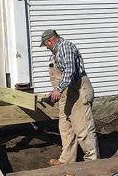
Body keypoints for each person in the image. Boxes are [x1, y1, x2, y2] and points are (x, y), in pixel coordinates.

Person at [40, 29, 99, 165]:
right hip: (67, 93)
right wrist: (55, 91)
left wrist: (59, 89)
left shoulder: (65, 47)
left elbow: (70, 70)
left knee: (83, 127)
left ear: (50, 40)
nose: (47, 48)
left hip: (78, 90)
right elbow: (60, 76)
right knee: (66, 127)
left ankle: (92, 162)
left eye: (46, 45)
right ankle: (67, 160)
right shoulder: (56, 53)